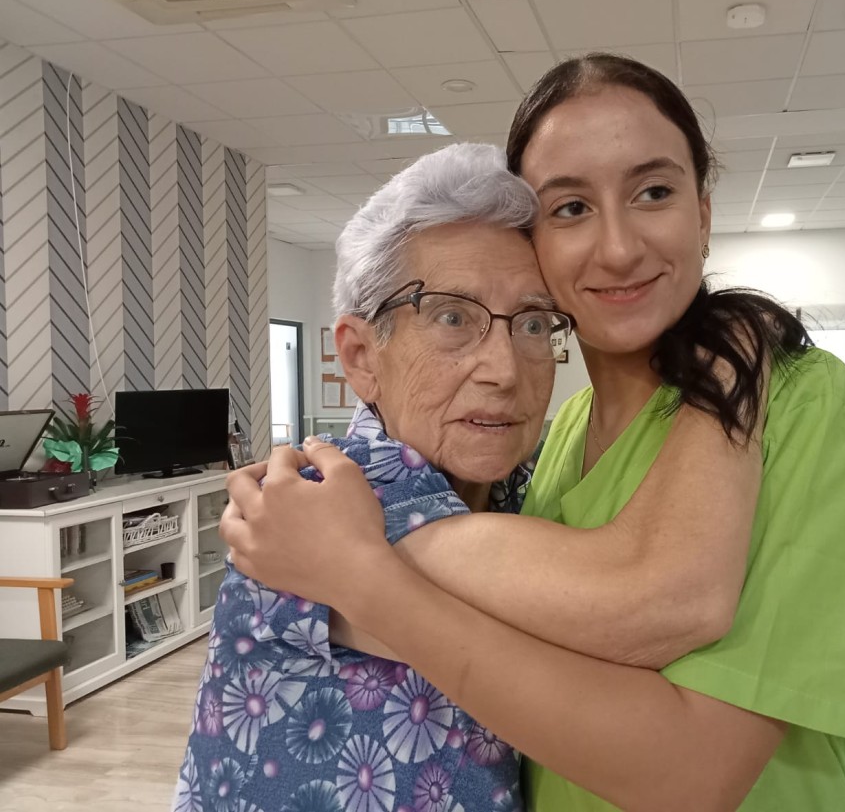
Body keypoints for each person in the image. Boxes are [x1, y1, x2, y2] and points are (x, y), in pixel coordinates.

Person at [223, 54, 845, 811]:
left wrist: (365, 573)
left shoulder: (799, 403)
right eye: (571, 207)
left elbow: (690, 761)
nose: (618, 248)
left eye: (654, 192)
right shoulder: (549, 441)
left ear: (704, 215)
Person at [174, 142, 571, 812]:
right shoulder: (315, 508)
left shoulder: (527, 488)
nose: (505, 370)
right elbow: (646, 606)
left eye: (533, 322)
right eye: (452, 316)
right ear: (360, 356)